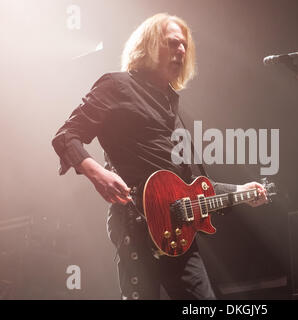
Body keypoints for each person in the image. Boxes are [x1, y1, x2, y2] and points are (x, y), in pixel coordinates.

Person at [52, 13, 268, 300]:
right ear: (149, 46)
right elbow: (67, 135)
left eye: (184, 46)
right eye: (172, 43)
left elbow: (194, 188)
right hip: (137, 223)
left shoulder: (174, 111)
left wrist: (241, 191)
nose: (181, 50)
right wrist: (97, 174)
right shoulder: (116, 86)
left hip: (179, 234)